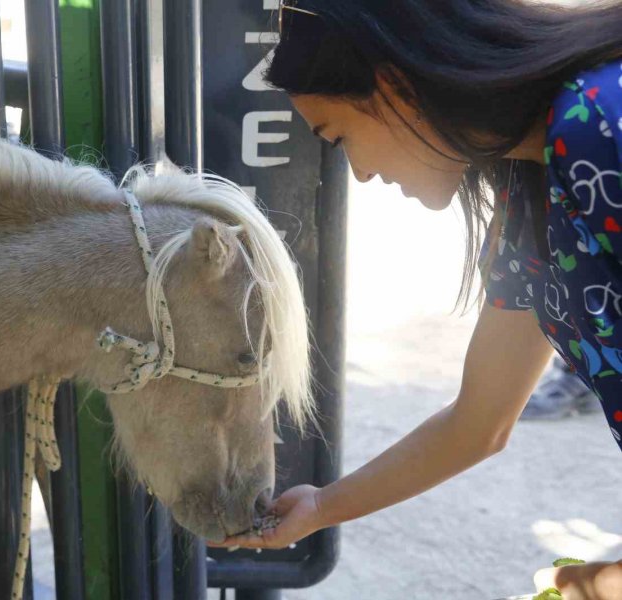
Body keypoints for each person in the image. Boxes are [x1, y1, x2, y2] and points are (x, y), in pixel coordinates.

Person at [212, 2, 622, 598]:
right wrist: (324, 507)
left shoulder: (596, 123)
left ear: (396, 89)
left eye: (341, 138)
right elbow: (479, 421)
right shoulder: (526, 185)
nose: (360, 171)